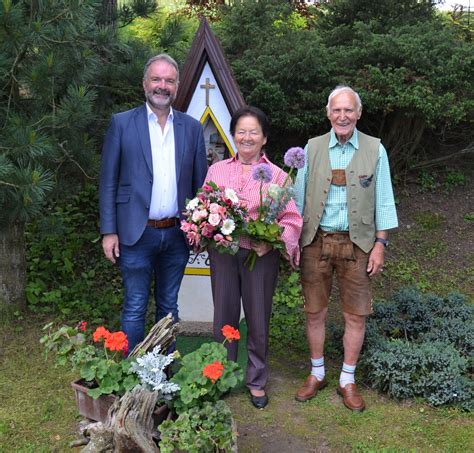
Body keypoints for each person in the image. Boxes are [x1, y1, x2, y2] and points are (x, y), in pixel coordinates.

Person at [294, 86, 398, 412]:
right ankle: (317, 373)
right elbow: (296, 202)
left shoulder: (375, 150)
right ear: (328, 114)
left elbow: (383, 200)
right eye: (336, 110)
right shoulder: (311, 149)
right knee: (315, 311)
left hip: (359, 245)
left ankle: (347, 380)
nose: (342, 116)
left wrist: (380, 245)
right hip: (316, 242)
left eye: (348, 110)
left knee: (355, 314)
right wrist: (291, 240)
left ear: (358, 114)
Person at [99, 53, 207, 352]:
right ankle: (132, 376)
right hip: (135, 233)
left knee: (169, 306)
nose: (163, 86)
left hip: (176, 234)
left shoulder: (192, 128)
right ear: (144, 83)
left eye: (169, 80)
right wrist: (109, 230)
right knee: (134, 306)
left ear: (177, 85)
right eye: (156, 79)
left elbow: (200, 185)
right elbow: (108, 180)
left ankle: (164, 373)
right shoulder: (121, 124)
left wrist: (199, 227)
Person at [205, 106, 303, 409]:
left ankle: (257, 380)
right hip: (224, 253)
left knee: (258, 317)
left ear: (264, 138)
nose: (246, 137)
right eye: (241, 131)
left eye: (253, 132)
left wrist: (272, 243)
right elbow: (204, 208)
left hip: (259, 256)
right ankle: (220, 376)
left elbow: (291, 219)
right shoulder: (217, 170)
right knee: (224, 315)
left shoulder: (278, 176)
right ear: (233, 135)